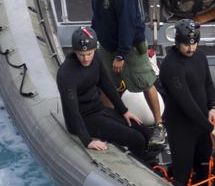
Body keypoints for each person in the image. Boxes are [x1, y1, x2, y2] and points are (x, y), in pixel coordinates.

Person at [86, 0, 167, 147]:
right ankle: (107, 124)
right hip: (107, 45)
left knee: (145, 83)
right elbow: (97, 16)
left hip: (128, 48)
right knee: (107, 84)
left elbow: (127, 24)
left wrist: (121, 55)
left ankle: (158, 126)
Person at [56, 26, 152, 159]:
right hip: (83, 118)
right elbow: (72, 111)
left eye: (89, 53)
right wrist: (87, 141)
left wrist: (124, 111)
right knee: (137, 139)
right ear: (74, 51)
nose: (85, 59)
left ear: (94, 50)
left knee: (145, 132)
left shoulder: (96, 59)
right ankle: (142, 167)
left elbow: (106, 85)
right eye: (81, 55)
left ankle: (147, 161)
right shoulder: (66, 74)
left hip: (99, 109)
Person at [158, 20, 215, 186]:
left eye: (194, 44)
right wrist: (211, 129)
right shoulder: (171, 66)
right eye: (186, 44)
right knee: (182, 173)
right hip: (181, 127)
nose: (191, 48)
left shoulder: (200, 56)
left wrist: (213, 107)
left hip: (200, 123)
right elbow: (185, 102)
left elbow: (208, 83)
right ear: (177, 42)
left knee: (203, 168)